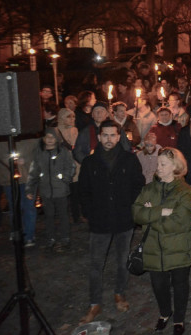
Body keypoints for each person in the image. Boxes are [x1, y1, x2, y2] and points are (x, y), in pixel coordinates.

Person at [78, 120, 146, 324]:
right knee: (96, 264)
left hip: (124, 219)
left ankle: (120, 292)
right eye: (105, 135)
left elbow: (138, 185)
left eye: (112, 135)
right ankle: (94, 303)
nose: (109, 139)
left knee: (122, 261)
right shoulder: (90, 162)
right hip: (99, 221)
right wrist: (90, 213)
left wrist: (131, 209)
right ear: (99, 137)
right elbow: (83, 191)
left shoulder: (128, 159)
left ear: (119, 137)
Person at [132, 148, 191, 335]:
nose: (157, 167)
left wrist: (150, 216)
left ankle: (179, 319)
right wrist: (161, 212)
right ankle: (165, 313)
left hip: (178, 247)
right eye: (158, 163)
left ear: (175, 167)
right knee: (158, 285)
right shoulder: (149, 188)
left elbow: (179, 223)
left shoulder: (185, 191)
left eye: (163, 164)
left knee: (180, 284)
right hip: (154, 248)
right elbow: (136, 213)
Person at [26, 127, 76, 250]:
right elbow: (34, 172)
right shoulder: (39, 153)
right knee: (49, 216)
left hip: (60, 191)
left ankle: (65, 237)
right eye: (47, 137)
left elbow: (70, 167)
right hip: (46, 191)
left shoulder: (63, 152)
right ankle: (50, 237)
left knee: (63, 215)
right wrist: (30, 189)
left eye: (52, 137)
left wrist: (64, 178)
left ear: (57, 139)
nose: (49, 139)